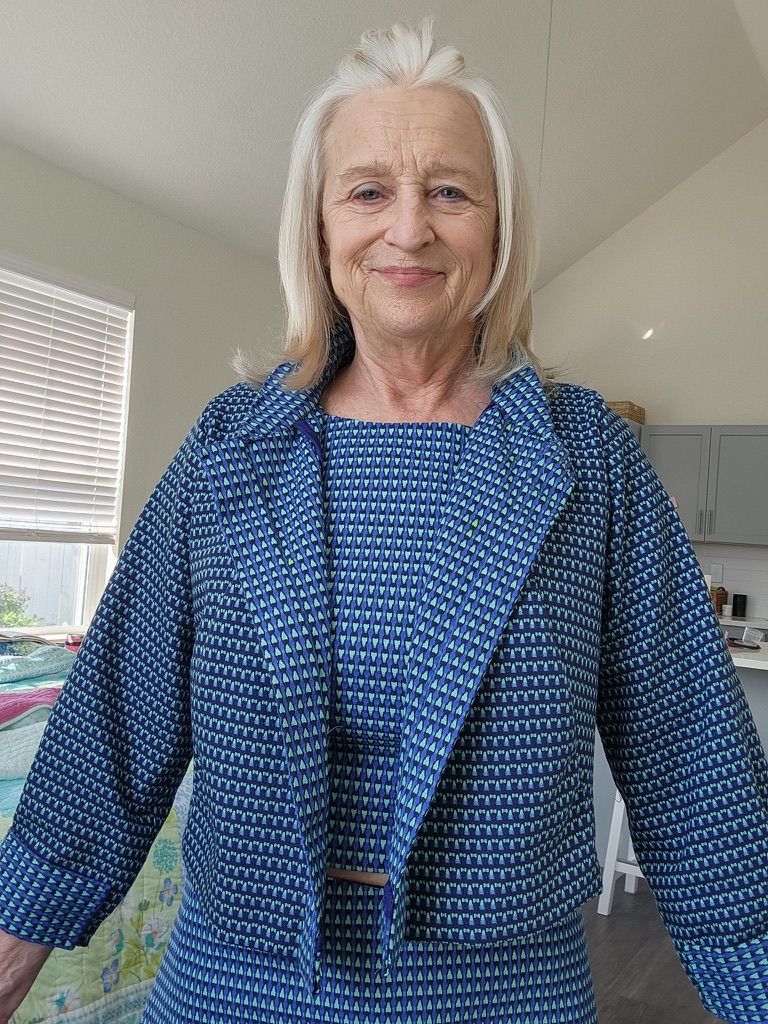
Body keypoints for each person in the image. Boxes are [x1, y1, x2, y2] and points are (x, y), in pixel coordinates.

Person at [1, 15, 768, 1024]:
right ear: (320, 229)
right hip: (236, 982)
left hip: (505, 992)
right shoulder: (231, 447)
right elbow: (115, 720)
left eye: (450, 190)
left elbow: (692, 759)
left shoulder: (590, 460)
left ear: (499, 229)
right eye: (368, 190)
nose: (408, 228)